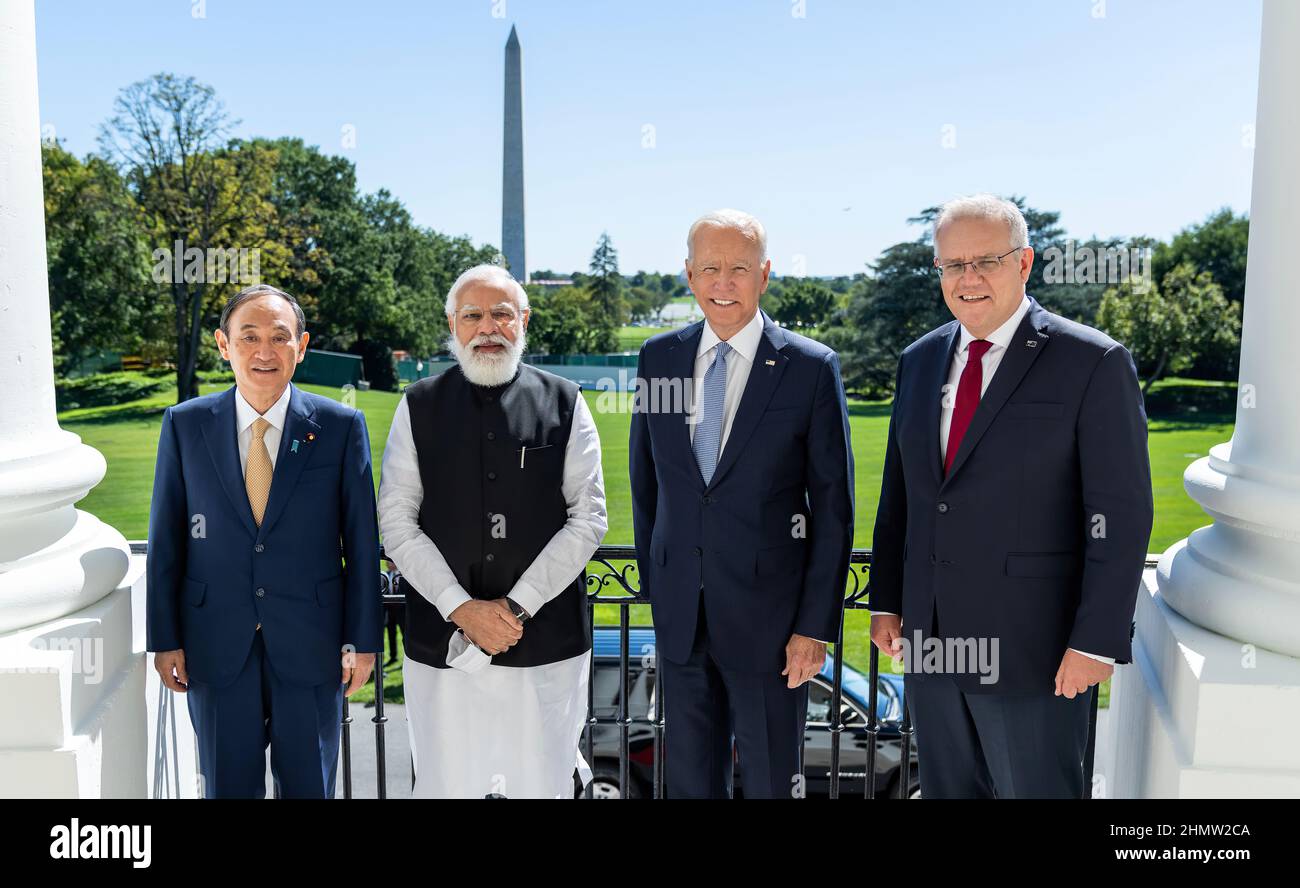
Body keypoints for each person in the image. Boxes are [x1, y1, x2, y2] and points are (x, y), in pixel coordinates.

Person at [869, 194, 1154, 798]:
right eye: (952, 264)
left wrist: (1095, 641)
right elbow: (903, 498)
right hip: (932, 646)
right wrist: (887, 603)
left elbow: (1120, 514)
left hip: (1037, 653)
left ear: (1024, 264)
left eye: (986, 261)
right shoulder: (919, 361)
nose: (967, 278)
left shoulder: (1092, 362)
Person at [629, 210, 855, 798]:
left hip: (774, 630)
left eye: (738, 268)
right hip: (682, 623)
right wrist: (660, 590)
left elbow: (833, 507)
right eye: (710, 268)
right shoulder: (660, 358)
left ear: (765, 274)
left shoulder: (809, 368)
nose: (722, 283)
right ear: (688, 276)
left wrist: (814, 626)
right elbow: (647, 481)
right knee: (688, 784)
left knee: (773, 784)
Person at [379, 264, 607, 799]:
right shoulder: (417, 405)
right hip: (442, 645)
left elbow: (589, 517)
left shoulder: (567, 402)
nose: (488, 327)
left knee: (543, 787)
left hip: (546, 642)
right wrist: (461, 607)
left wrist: (517, 606)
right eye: (473, 315)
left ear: (523, 320)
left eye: (502, 314)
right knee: (444, 787)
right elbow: (396, 519)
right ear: (452, 324)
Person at [147, 284, 382, 799]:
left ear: (301, 346)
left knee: (308, 788)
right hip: (214, 645)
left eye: (279, 337)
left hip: (313, 645)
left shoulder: (341, 427)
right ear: (223, 344)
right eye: (248, 336)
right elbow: (166, 540)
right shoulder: (185, 425)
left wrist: (363, 641)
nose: (264, 351)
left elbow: (363, 544)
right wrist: (165, 638)